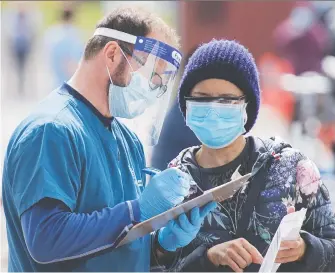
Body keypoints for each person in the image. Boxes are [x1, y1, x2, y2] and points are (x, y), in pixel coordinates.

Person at [2, 7, 216, 272]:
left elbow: (119, 246)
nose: (154, 88)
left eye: (162, 81)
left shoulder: (128, 141)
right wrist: (136, 211)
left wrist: (162, 245)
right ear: (113, 54)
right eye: (152, 74)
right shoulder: (51, 130)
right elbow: (46, 240)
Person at [165, 39, 335, 272]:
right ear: (186, 105)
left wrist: (306, 248)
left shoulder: (292, 169)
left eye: (227, 100)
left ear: (247, 106)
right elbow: (158, 263)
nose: (214, 109)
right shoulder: (174, 182)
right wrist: (207, 259)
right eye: (202, 98)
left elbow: (334, 251)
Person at [44, 6, 83, 89]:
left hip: (54, 79)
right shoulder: (74, 34)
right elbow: (72, 62)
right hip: (69, 81)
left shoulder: (51, 32)